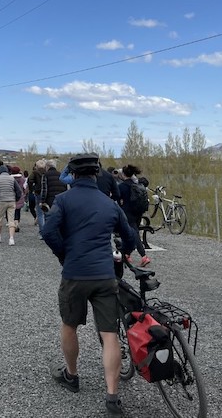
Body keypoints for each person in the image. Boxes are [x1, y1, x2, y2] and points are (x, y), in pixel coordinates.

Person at [42, 153, 137, 418]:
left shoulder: (63, 200)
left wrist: (64, 254)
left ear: (72, 175)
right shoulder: (109, 204)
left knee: (69, 324)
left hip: (75, 274)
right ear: (96, 174)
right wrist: (124, 251)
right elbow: (129, 237)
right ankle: (112, 398)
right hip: (105, 275)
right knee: (110, 334)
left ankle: (72, 375)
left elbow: (48, 232)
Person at [118, 164, 150, 267]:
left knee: (134, 234)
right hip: (138, 213)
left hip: (127, 213)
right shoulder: (136, 185)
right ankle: (126, 254)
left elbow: (117, 198)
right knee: (129, 233)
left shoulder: (122, 186)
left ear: (123, 174)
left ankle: (144, 256)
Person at [0, 165, 23, 245]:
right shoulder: (12, 178)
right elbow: (18, 190)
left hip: (2, 201)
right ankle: (11, 238)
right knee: (11, 220)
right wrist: (16, 199)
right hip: (11, 201)